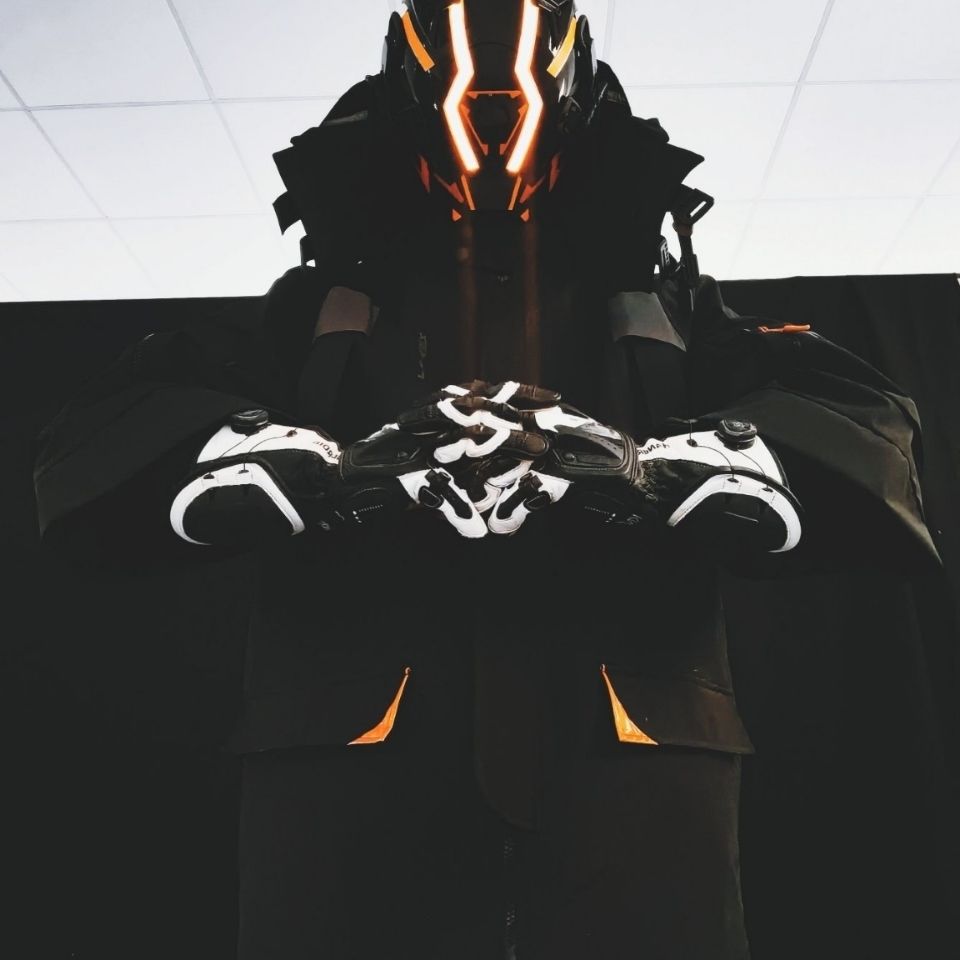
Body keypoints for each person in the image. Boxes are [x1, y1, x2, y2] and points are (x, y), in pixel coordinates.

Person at [34, 2, 939, 957]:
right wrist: (304, 466)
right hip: (357, 777)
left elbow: (866, 421)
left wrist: (660, 472)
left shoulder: (668, 309)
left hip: (628, 765)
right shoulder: (315, 313)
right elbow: (100, 431)